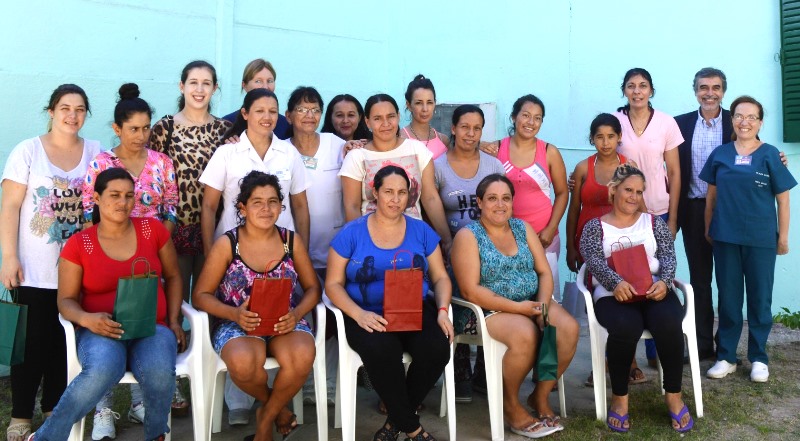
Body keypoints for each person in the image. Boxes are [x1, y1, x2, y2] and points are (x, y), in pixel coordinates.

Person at [29, 167, 185, 441]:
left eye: (128, 195)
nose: (122, 202)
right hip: (100, 330)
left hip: (152, 327)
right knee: (102, 369)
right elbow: (65, 300)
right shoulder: (80, 244)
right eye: (114, 195)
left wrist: (173, 321)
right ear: (97, 198)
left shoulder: (152, 230)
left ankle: (156, 434)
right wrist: (87, 319)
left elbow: (173, 276)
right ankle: (46, 437)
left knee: (160, 370)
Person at [199, 88, 311, 422]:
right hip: (234, 253)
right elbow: (209, 207)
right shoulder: (228, 153)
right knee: (245, 348)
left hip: (280, 253)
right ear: (245, 114)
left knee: (290, 345)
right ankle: (263, 409)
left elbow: (300, 206)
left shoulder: (288, 153)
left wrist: (299, 250)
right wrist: (210, 253)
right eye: (259, 110)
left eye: (273, 111)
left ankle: (266, 416)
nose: (267, 117)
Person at [0, 84, 102, 441]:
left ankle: (53, 410)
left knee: (64, 343)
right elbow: (10, 206)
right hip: (33, 268)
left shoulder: (95, 151)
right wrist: (8, 257)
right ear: (51, 111)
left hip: (78, 270)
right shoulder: (28, 151)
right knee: (29, 344)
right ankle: (20, 415)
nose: (72, 115)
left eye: (79, 109)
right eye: (65, 108)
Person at [80, 83, 179, 439]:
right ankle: (103, 408)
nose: (141, 135)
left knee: (143, 329)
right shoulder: (101, 164)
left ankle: (140, 402)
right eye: (133, 128)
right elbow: (88, 214)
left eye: (146, 128)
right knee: (108, 334)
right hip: (109, 261)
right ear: (117, 128)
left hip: (148, 263)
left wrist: (153, 246)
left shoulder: (161, 163)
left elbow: (171, 208)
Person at [326, 165, 453, 441]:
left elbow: (441, 277)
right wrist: (358, 314)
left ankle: (393, 425)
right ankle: (414, 429)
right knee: (383, 350)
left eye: (402, 193)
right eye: (388, 192)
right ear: (375, 193)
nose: (395, 199)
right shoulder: (352, 233)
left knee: (437, 349)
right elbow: (333, 284)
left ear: (409, 196)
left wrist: (442, 311)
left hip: (413, 309)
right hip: (366, 312)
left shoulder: (421, 231)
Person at [193, 171, 321, 441]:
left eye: (273, 202)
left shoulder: (290, 241)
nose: (266, 209)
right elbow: (201, 295)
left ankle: (265, 420)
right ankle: (279, 410)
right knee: (244, 363)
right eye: (257, 202)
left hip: (284, 320)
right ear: (242, 208)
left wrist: (297, 313)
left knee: (302, 356)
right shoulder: (228, 244)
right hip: (237, 322)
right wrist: (234, 314)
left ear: (281, 206)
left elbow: (313, 288)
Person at [452, 174, 578, 438]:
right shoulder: (468, 235)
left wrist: (542, 306)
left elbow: (544, 272)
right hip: (485, 310)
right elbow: (470, 290)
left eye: (506, 198)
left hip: (531, 301)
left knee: (566, 328)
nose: (500, 205)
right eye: (492, 198)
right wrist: (520, 309)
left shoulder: (522, 228)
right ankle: (509, 405)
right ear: (479, 202)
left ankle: (540, 396)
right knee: (525, 334)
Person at [580, 164, 693, 433]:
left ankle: (674, 395)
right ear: (614, 190)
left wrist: (665, 282)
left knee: (668, 321)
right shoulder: (595, 227)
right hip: (613, 293)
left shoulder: (653, 223)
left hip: (654, 290)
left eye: (639, 192)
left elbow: (668, 257)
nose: (633, 197)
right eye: (628, 190)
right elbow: (593, 261)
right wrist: (615, 282)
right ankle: (620, 398)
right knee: (625, 326)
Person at [149, 60, 230, 415]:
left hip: (215, 230)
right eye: (193, 82)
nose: (199, 89)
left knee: (210, 306)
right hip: (174, 229)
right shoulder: (164, 127)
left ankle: (209, 383)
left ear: (215, 89)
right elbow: (152, 175)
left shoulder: (225, 130)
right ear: (181, 86)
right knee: (173, 307)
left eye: (206, 83)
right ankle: (172, 382)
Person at [701, 96, 796, 383]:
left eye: (751, 117)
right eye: (739, 116)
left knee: (759, 298)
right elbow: (711, 198)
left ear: (760, 122)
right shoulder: (720, 154)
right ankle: (727, 357)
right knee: (728, 298)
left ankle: (758, 358)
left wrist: (783, 236)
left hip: (761, 239)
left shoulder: (770, 154)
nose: (745, 122)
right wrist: (708, 229)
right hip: (725, 237)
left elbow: (783, 200)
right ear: (732, 120)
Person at [565, 114, 646, 387]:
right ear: (592, 139)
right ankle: (600, 362)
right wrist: (571, 247)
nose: (606, 142)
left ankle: (629, 361)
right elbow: (573, 210)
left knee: (628, 299)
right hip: (590, 245)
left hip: (624, 243)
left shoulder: (628, 167)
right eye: (599, 137)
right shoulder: (582, 168)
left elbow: (639, 204)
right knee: (598, 306)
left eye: (611, 136)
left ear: (619, 137)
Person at [613, 67, 683, 367]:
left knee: (657, 277)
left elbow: (675, 173)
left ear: (651, 90)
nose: (637, 91)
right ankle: (626, 356)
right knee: (628, 276)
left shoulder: (666, 123)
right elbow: (606, 158)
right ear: (624, 90)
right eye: (631, 86)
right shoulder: (615, 121)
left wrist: (673, 218)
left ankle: (657, 352)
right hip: (627, 212)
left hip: (659, 210)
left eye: (643, 86)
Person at [434, 105, 504, 403]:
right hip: (452, 251)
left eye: (477, 128)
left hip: (490, 253)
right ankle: (459, 371)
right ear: (453, 128)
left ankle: (485, 372)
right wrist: (447, 244)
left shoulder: (493, 165)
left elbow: (503, 210)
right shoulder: (438, 166)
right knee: (459, 306)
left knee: (491, 306)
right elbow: (432, 209)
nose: (470, 134)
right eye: (465, 127)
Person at [285, 85, 345, 405]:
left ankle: (330, 382)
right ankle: (306, 381)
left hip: (335, 250)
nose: (309, 116)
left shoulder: (337, 145)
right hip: (294, 251)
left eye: (315, 110)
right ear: (289, 115)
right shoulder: (280, 150)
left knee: (333, 317)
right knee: (303, 316)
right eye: (302, 109)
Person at [339, 93, 453, 254]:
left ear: (398, 116)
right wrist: (360, 246)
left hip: (414, 240)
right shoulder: (356, 157)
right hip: (371, 242)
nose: (386, 124)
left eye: (390, 116)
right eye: (377, 118)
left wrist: (447, 240)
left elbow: (430, 198)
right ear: (367, 122)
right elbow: (352, 206)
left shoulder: (417, 149)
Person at [481, 94, 568, 302]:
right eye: (526, 115)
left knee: (547, 298)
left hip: (544, 238)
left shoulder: (549, 152)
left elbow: (563, 193)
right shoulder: (496, 149)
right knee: (513, 296)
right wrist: (479, 145)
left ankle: (546, 325)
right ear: (513, 117)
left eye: (537, 118)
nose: (531, 122)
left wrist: (550, 229)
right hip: (505, 240)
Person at [674, 68, 733, 362]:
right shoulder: (680, 124)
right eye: (703, 87)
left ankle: (726, 346)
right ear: (695, 90)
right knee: (699, 280)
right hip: (693, 210)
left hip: (729, 211)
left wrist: (778, 157)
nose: (709, 93)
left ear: (723, 91)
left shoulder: (737, 121)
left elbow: (755, 152)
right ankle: (701, 345)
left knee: (728, 279)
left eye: (716, 87)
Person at [222, 58, 290, 140]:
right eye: (258, 81)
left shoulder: (286, 125)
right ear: (244, 85)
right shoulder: (227, 123)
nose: (265, 86)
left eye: (270, 81)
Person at [400, 75, 449, 160]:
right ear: (409, 105)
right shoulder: (400, 139)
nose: (425, 109)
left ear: (434, 103)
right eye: (418, 103)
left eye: (429, 102)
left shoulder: (443, 140)